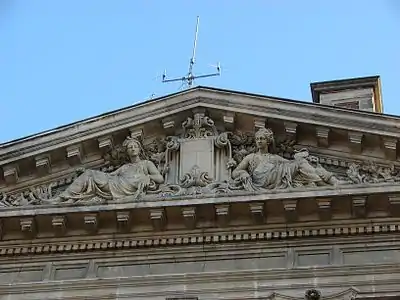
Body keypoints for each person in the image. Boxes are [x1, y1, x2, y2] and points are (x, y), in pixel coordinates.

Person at [52, 135, 164, 203]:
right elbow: (109, 176)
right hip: (117, 185)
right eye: (130, 147)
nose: (133, 149)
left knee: (90, 174)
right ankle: (65, 198)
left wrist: (147, 177)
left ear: (140, 150)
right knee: (89, 174)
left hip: (129, 187)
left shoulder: (146, 163)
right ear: (127, 151)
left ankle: (67, 198)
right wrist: (88, 173)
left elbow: (160, 178)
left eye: (135, 147)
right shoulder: (125, 167)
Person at [231, 127, 337, 191]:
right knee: (299, 163)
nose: (259, 141)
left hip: (275, 178)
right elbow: (235, 172)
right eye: (257, 139)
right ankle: (326, 182)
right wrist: (243, 174)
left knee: (300, 163)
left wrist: (306, 159)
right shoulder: (251, 157)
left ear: (268, 141)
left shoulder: (275, 157)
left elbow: (291, 164)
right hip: (260, 182)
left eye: (262, 139)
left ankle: (327, 181)